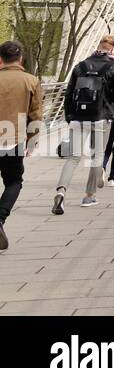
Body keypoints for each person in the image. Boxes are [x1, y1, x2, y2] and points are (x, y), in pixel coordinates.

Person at [55, 35, 114, 213]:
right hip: (101, 117)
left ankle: (61, 192)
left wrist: (69, 115)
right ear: (112, 49)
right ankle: (89, 195)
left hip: (78, 116)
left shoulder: (81, 65)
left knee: (73, 158)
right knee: (97, 156)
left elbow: (68, 93)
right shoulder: (113, 67)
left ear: (98, 45)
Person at [0, 41, 42, 250]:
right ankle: (0, 218)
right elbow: (36, 115)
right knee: (14, 181)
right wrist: (32, 140)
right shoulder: (31, 81)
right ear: (21, 59)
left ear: (0, 59)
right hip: (13, 140)